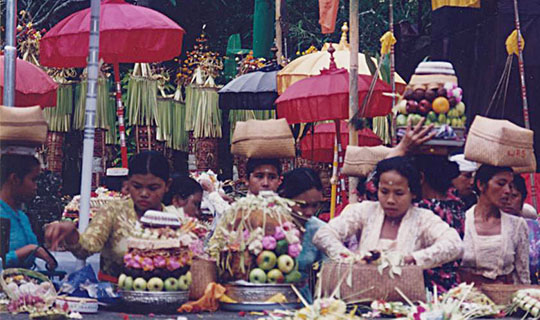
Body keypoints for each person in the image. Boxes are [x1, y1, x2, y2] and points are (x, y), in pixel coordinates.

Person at [313, 156, 463, 270]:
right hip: (361, 299)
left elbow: (454, 244)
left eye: (399, 193)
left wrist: (413, 259)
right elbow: (323, 235)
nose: (390, 200)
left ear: (413, 193)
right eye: (384, 192)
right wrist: (350, 259)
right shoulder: (365, 211)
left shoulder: (423, 218)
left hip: (406, 302)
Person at [44, 151, 171, 281]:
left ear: (167, 186)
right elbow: (86, 248)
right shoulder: (114, 212)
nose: (144, 193)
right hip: (113, 296)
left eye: (153, 188)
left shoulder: (175, 219)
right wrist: (71, 233)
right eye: (137, 186)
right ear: (127, 184)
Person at [460, 165, 531, 284]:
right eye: (501, 184)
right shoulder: (461, 222)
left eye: (510, 185)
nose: (508, 191)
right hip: (466, 297)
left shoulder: (517, 225)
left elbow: (522, 274)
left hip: (505, 296)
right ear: (481, 185)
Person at [411, 154, 465, 291]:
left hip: (427, 287)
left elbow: (370, 188)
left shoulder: (423, 210)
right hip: (452, 285)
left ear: (421, 178)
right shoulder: (457, 205)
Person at [278, 167, 326, 303]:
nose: (310, 212)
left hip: (302, 304)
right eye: (303, 206)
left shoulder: (319, 229)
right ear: (285, 198)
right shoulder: (268, 225)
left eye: (315, 205)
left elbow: (331, 271)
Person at [0, 153, 56, 269]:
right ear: (15, 179)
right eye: (33, 180)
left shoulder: (22, 217)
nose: (35, 187)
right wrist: (27, 250)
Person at [501, 174, 540, 283]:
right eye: (504, 197)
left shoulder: (534, 227)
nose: (508, 201)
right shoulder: (491, 227)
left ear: (522, 199)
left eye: (514, 196)